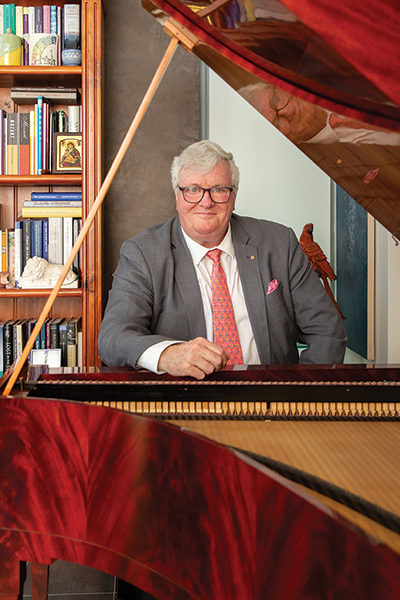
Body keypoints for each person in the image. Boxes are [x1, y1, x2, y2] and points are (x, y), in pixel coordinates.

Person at [98, 140, 347, 379]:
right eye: (193, 190)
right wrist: (168, 355)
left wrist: (303, 394)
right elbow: (113, 338)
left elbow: (326, 329)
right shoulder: (143, 253)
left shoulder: (280, 243)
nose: (205, 202)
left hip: (272, 401)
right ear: (177, 196)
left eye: (218, 189)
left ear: (234, 196)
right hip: (184, 405)